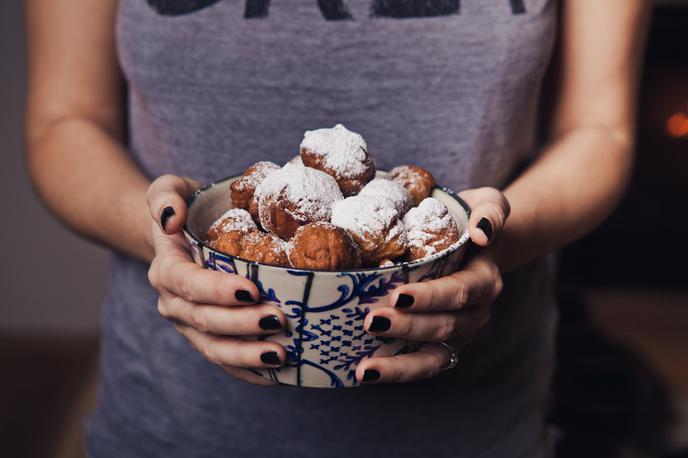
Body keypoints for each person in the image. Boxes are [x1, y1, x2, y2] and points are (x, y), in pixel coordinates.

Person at [25, 0, 649, 456]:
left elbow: (600, 130)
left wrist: (483, 246)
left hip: (477, 422)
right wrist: (165, 236)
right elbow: (65, 120)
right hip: (176, 419)